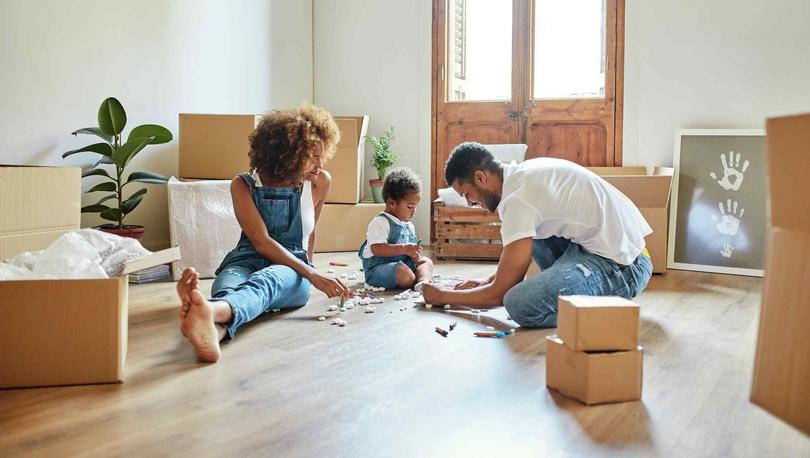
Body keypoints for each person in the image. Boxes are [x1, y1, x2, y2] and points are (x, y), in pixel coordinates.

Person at [176, 105, 350, 362]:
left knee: (268, 280)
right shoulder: (243, 185)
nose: (319, 164)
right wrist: (314, 276)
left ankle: (207, 310)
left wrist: (308, 271)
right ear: (288, 155)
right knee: (228, 284)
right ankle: (215, 328)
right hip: (246, 258)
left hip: (293, 268)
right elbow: (261, 242)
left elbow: (309, 234)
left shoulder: (319, 181)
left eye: (322, 156)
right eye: (312, 157)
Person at [421, 142, 653, 328]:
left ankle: (606, 312)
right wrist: (487, 281)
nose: (470, 203)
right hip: (604, 248)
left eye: (467, 194)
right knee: (530, 238)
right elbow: (514, 261)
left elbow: (498, 296)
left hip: (625, 266)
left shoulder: (518, 199)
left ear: (481, 178)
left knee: (518, 303)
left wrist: (443, 297)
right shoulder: (522, 175)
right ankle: (578, 293)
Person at [358, 167, 433, 290]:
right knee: (403, 273)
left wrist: (414, 255)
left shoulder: (409, 225)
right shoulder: (381, 222)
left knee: (426, 262)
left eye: (415, 207)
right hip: (379, 269)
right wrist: (404, 248)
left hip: (403, 265)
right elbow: (377, 249)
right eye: (410, 207)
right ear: (391, 203)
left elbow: (410, 254)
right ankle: (413, 280)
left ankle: (423, 282)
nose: (414, 212)